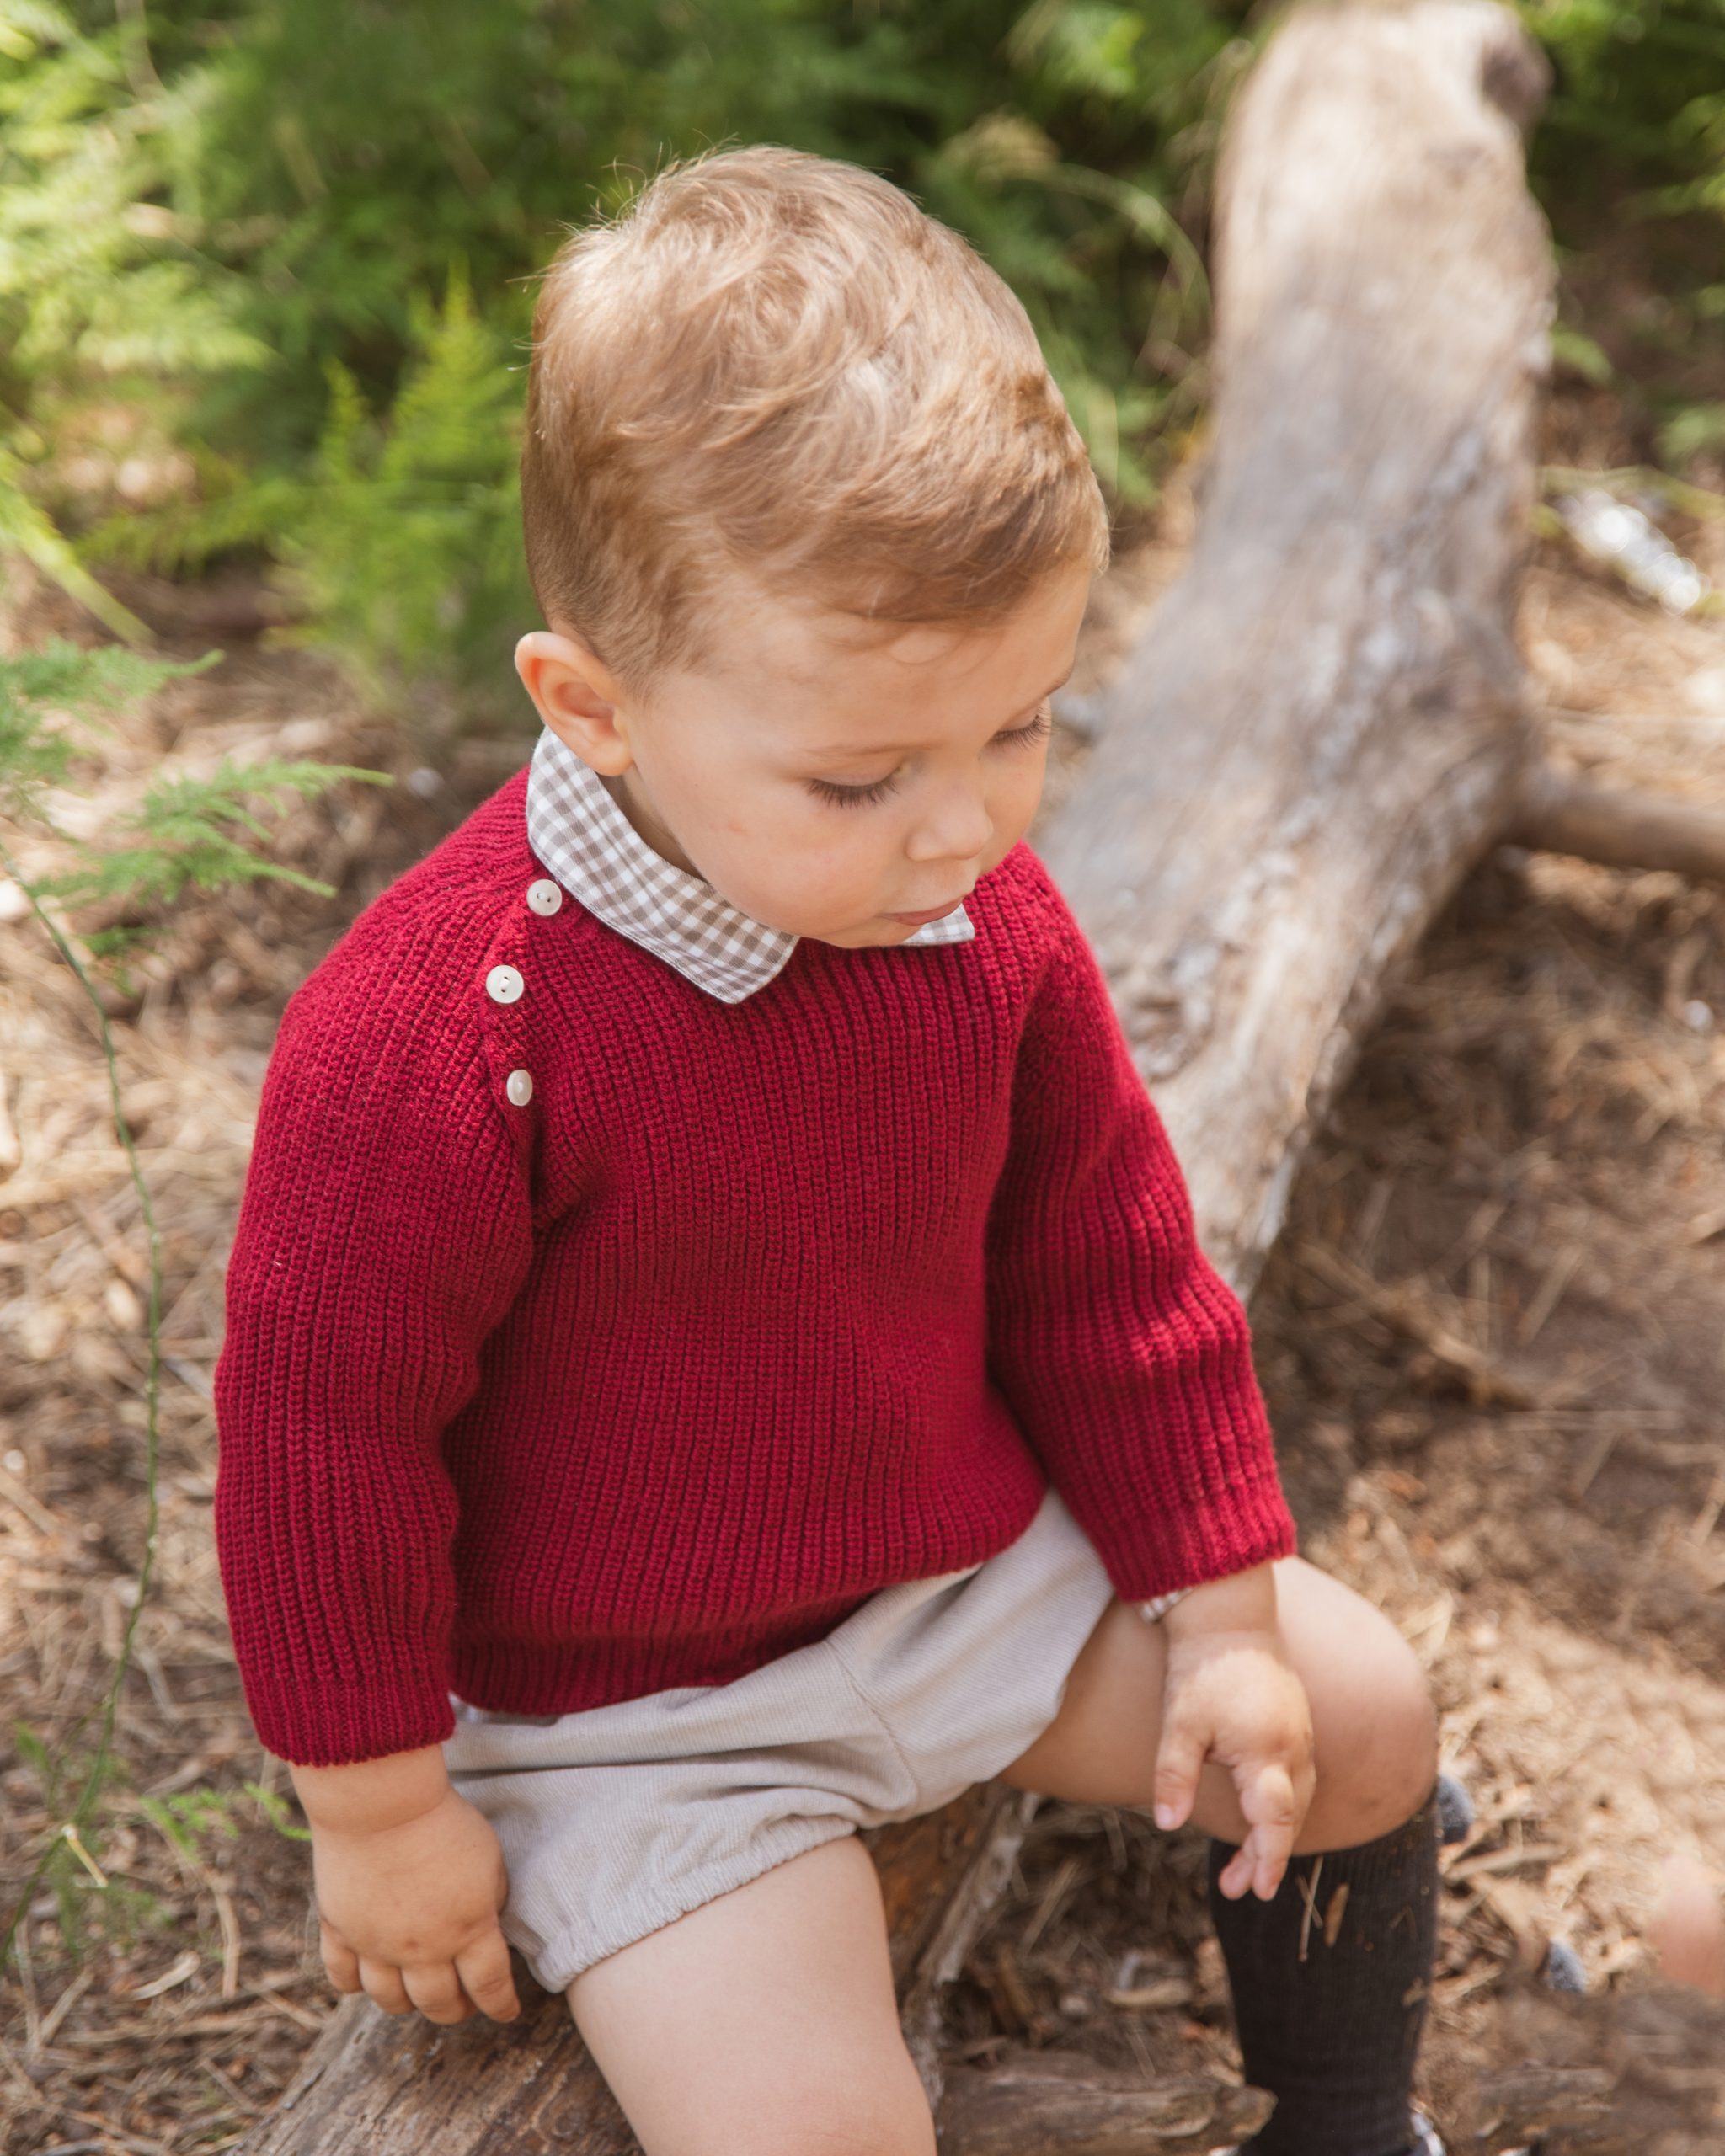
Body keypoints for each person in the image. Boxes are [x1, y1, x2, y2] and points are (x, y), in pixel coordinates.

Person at [213, 147, 1444, 2156]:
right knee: (812, 2126)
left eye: (1022, 728)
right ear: (593, 704)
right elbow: (318, 1428)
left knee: (1359, 1711)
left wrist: (1217, 1614)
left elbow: (1109, 1269)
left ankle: (1340, 2108)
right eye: (860, 774)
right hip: (636, 1717)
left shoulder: (974, 925)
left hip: (956, 1575)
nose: (961, 826)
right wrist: (374, 1804)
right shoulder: (449, 1028)